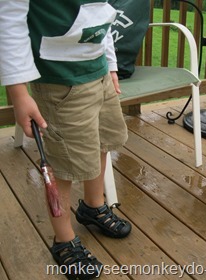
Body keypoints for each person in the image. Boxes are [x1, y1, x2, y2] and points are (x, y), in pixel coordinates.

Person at [0, 1, 131, 278]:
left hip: (99, 73)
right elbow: (8, 22)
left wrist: (110, 63)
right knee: (63, 166)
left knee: (101, 142)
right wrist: (18, 92)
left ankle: (93, 207)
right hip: (60, 82)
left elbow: (101, 14)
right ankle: (63, 239)